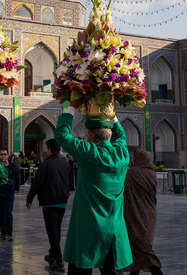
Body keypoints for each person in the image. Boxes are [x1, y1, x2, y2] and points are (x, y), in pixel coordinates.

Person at [55, 100, 132, 274]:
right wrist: (110, 112)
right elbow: (121, 135)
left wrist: (73, 105)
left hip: (88, 228)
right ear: (109, 136)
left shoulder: (90, 153)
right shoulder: (122, 154)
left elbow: (61, 135)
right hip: (114, 228)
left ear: (90, 137)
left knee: (81, 267)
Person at [26, 138, 71, 272]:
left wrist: (29, 198)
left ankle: (59, 260)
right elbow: (69, 183)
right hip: (62, 201)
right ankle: (52, 255)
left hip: (50, 202)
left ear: (50, 150)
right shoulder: (65, 164)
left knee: (52, 232)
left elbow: (37, 183)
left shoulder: (46, 165)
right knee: (56, 229)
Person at [121, 149, 162, 275]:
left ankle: (156, 271)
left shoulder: (131, 174)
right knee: (139, 246)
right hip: (149, 214)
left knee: (143, 248)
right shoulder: (152, 173)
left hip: (134, 214)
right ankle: (134, 272)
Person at [0, 148, 20, 242]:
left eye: (5, 154)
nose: (3, 156)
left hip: (9, 193)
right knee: (0, 214)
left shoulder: (12, 165)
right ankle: (3, 233)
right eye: (1, 154)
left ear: (8, 155)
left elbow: (17, 172)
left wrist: (8, 166)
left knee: (8, 214)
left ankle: (9, 234)